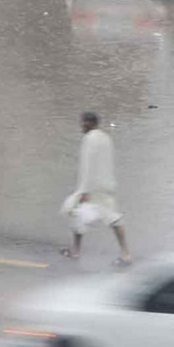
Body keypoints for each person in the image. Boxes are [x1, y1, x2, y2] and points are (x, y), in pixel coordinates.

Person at [60, 112, 131, 266]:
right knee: (114, 218)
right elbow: (108, 162)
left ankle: (76, 251)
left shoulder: (89, 138)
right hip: (106, 185)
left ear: (89, 123)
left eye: (83, 122)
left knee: (74, 211)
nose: (81, 125)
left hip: (91, 187)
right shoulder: (106, 138)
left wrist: (84, 190)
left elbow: (88, 164)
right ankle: (126, 254)